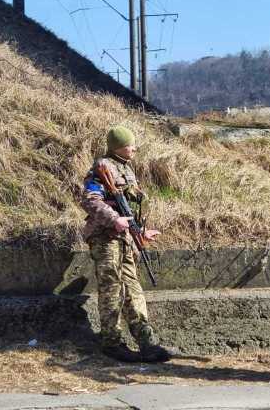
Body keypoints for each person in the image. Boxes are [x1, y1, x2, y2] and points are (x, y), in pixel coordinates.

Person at [80, 125, 176, 363]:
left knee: (133, 289)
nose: (134, 148)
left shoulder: (126, 169)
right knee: (112, 288)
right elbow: (91, 201)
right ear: (119, 146)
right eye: (130, 144)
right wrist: (115, 220)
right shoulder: (100, 168)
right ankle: (112, 342)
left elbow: (128, 207)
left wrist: (140, 231)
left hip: (124, 238)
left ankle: (147, 342)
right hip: (105, 237)